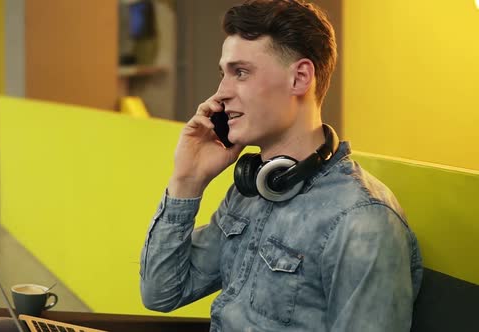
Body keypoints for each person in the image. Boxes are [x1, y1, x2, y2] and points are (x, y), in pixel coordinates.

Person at [139, 1, 423, 331]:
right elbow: (160, 293)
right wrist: (187, 181)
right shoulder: (253, 190)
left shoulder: (362, 221)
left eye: (240, 73)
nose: (220, 94)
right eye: (224, 73)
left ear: (300, 77)